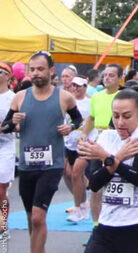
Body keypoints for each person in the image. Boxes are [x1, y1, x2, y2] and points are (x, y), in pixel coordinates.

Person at [1, 51, 83, 253]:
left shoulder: (64, 97)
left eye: (40, 69)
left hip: (51, 165)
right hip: (27, 165)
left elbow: (78, 119)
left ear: (51, 70)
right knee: (31, 218)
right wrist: (14, 123)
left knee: (39, 216)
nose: (36, 73)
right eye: (32, 69)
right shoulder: (20, 97)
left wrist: (70, 127)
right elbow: (5, 127)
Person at [76, 87, 138, 252]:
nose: (120, 122)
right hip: (107, 225)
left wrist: (107, 159)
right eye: (116, 116)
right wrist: (118, 157)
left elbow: (137, 177)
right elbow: (94, 183)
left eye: (127, 116)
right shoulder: (107, 137)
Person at [75, 64, 123, 228]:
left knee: (116, 182)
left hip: (117, 141)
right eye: (105, 75)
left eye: (111, 75)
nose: (107, 78)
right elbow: (91, 117)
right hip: (98, 139)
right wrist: (83, 134)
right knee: (95, 184)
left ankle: (118, 221)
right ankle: (97, 225)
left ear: (119, 78)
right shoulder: (97, 96)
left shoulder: (124, 96)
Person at [65, 76, 93, 222]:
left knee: (76, 173)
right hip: (69, 143)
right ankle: (83, 204)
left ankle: (77, 208)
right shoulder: (68, 101)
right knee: (72, 174)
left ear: (85, 87)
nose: (75, 88)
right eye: (73, 85)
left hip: (84, 143)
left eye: (79, 86)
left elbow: (92, 121)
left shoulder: (90, 102)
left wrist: (86, 135)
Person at [0, 62, 15, 241]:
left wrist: (6, 127)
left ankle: (3, 225)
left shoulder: (13, 97)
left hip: (6, 146)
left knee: (1, 189)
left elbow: (18, 124)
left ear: (9, 76)